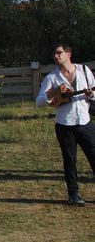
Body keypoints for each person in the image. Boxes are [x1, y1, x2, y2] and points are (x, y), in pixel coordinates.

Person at [36, 43, 95, 206]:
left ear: (69, 54)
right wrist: (54, 92)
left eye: (59, 52)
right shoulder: (52, 77)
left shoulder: (84, 70)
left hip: (85, 122)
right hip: (64, 125)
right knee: (70, 160)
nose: (56, 55)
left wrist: (92, 95)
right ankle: (73, 195)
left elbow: (94, 94)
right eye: (54, 53)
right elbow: (39, 101)